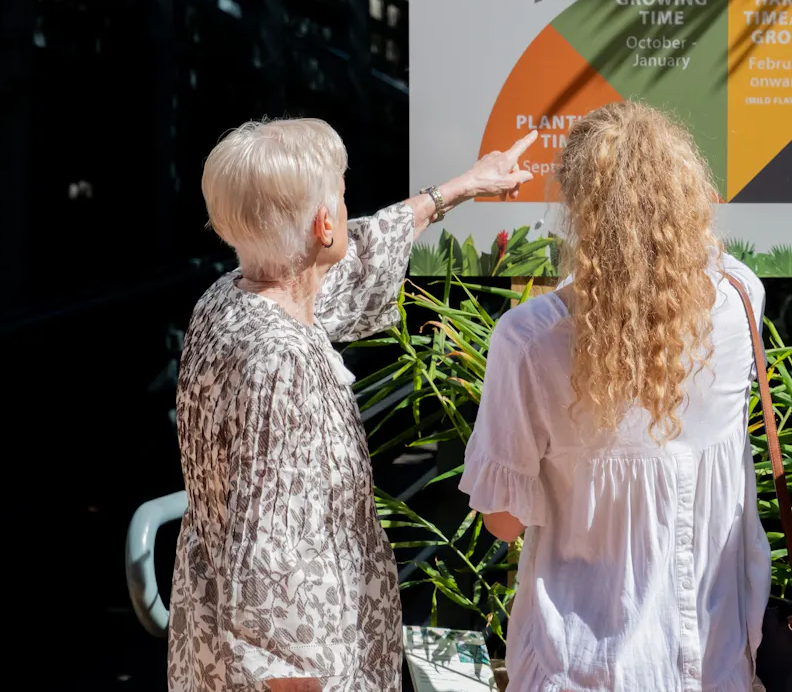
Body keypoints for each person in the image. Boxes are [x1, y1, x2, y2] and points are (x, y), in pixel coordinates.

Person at [168, 118, 537, 692]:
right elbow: (270, 562)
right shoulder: (280, 361)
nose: (348, 207)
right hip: (298, 673)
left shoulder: (229, 298)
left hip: (212, 637)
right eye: (342, 194)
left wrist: (460, 188)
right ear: (322, 224)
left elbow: (354, 262)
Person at [459, 101, 771, 692]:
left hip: (581, 666)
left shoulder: (530, 341)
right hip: (715, 660)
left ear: (576, 211)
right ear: (686, 192)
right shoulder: (740, 300)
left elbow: (502, 523)